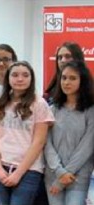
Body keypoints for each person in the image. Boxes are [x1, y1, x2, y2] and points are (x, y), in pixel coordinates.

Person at [0, 61, 54, 205]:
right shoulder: (0, 102)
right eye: (15, 75)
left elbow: (39, 142)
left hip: (28, 170)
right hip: (3, 167)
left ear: (31, 79)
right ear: (8, 79)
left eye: (25, 75)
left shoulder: (39, 104)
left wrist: (18, 174)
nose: (20, 79)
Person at [44, 61, 94, 205]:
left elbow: (87, 147)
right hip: (53, 175)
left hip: (78, 177)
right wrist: (60, 172)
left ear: (82, 81)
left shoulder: (91, 111)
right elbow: (47, 144)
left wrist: (66, 174)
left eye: (73, 78)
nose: (66, 82)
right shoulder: (52, 109)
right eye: (64, 78)